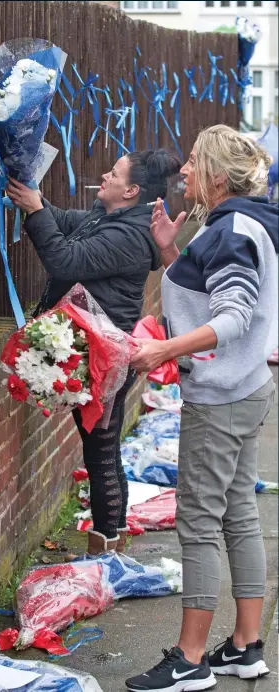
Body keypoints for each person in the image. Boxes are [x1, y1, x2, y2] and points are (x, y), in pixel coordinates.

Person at [127, 125, 278, 691]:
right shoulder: (237, 222)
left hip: (221, 398)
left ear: (217, 175)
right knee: (239, 514)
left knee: (198, 524)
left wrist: (164, 348)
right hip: (247, 388)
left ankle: (189, 661)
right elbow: (210, 293)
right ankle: (244, 646)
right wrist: (170, 249)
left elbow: (235, 314)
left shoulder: (232, 229)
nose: (183, 170)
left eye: (193, 162)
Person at [6, 149, 181, 556]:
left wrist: (34, 213)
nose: (104, 175)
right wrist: (34, 201)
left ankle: (105, 552)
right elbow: (68, 223)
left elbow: (66, 260)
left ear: (131, 190)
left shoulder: (127, 235)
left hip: (108, 361)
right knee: (103, 447)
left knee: (100, 453)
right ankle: (111, 540)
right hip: (107, 355)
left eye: (114, 173)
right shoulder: (117, 218)